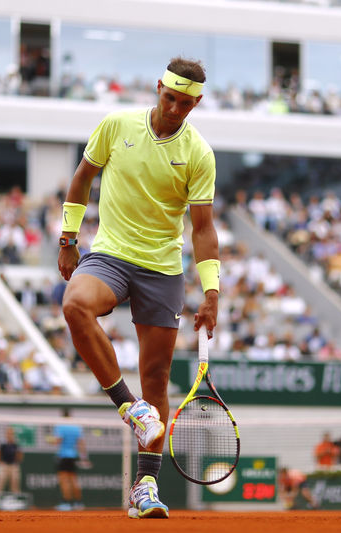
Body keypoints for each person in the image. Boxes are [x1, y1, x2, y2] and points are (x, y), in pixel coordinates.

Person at [58, 56, 219, 520]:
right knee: (74, 306)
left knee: (157, 380)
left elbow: (203, 229)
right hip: (109, 254)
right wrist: (68, 240)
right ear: (157, 90)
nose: (175, 109)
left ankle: (146, 488)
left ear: (196, 103)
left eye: (185, 104)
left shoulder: (199, 153)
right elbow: (82, 178)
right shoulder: (116, 124)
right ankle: (129, 408)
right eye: (170, 98)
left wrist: (212, 293)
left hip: (162, 270)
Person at [52, 408, 87, 511]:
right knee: (73, 480)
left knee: (64, 481)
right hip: (73, 456)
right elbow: (81, 443)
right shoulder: (76, 427)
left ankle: (66, 503)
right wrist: (84, 457)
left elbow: (58, 441)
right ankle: (78, 503)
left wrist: (51, 441)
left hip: (63, 456)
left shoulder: (60, 427)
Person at [0, 426, 24, 511]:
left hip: (14, 466)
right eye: (8, 433)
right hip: (3, 466)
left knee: (15, 485)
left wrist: (16, 462)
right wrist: (0, 463)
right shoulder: (2, 443)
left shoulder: (16, 444)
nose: (10, 434)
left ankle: (16, 505)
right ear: (6, 434)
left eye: (11, 433)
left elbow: (20, 455)